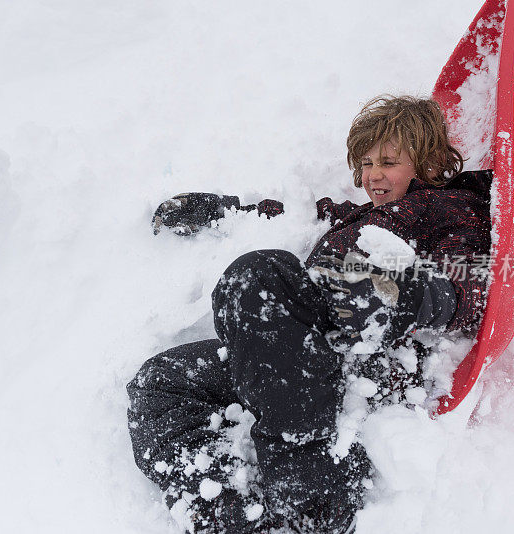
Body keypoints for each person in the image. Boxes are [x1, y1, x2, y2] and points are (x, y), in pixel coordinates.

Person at [127, 96, 492, 533]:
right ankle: (231, 517)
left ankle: (316, 499)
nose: (373, 174)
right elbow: (289, 217)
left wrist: (405, 294)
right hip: (294, 359)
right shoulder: (357, 217)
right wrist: (220, 210)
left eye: (390, 161)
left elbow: (472, 285)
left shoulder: (452, 210)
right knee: (162, 381)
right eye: (367, 162)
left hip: (368, 357)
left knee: (258, 276)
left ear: (431, 162)